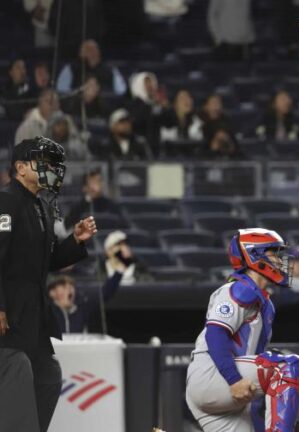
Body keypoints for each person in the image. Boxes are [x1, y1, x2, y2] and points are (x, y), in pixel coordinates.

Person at [0, 137, 98, 431]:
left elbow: (48, 259)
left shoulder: (40, 205)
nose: (52, 168)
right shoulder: (6, 201)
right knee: (16, 372)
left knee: (48, 376)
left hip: (35, 314)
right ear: (20, 168)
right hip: (11, 310)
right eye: (43, 162)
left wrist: (75, 242)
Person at [185, 228, 299, 431]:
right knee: (288, 367)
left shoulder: (263, 300)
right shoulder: (239, 289)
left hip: (221, 389)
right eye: (273, 252)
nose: (280, 260)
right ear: (254, 255)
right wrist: (233, 380)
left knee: (275, 361)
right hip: (213, 375)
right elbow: (216, 334)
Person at [47, 272, 122, 334]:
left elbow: (105, 293)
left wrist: (120, 270)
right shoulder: (46, 312)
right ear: (52, 292)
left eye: (71, 286)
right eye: (63, 286)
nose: (69, 289)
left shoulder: (83, 308)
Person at [55, 39, 127, 95]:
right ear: (80, 54)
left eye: (95, 49)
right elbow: (62, 90)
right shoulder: (70, 68)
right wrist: (83, 94)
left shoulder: (110, 69)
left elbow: (121, 91)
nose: (92, 53)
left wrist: (99, 92)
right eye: (88, 49)